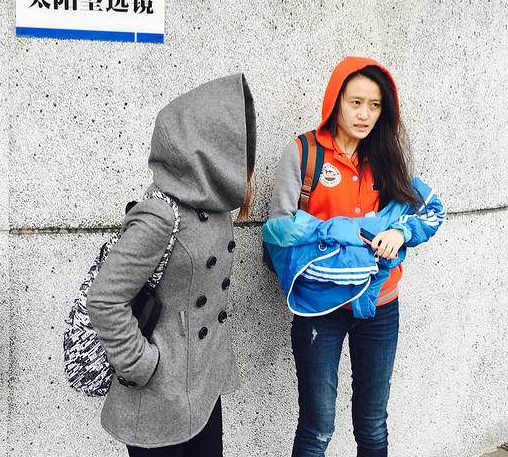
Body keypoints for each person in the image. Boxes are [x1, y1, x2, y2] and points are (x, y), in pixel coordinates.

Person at [266, 57, 445, 457]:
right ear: (336, 101)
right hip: (320, 306)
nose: (365, 114)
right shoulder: (304, 152)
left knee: (373, 424)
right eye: (356, 102)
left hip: (380, 304)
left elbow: (428, 211)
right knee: (317, 428)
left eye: (375, 105)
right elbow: (278, 228)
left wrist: (400, 232)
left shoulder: (386, 155)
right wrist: (342, 232)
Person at [87, 73, 256, 456]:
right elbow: (104, 300)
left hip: (202, 386)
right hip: (157, 395)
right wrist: (142, 364)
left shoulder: (216, 209)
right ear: (205, 143)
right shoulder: (160, 215)